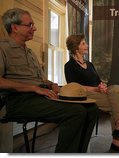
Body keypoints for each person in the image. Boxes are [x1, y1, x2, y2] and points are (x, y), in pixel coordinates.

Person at [0, 8, 99, 153]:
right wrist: (35, 88)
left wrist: (51, 85)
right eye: (30, 25)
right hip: (19, 101)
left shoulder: (30, 52)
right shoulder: (2, 48)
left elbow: (39, 79)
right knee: (76, 112)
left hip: (41, 96)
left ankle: (78, 153)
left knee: (92, 109)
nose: (35, 28)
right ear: (14, 27)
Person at [64, 34, 119, 153]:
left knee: (117, 89)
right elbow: (74, 87)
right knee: (116, 103)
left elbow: (97, 81)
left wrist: (102, 86)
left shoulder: (90, 64)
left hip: (98, 92)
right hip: (84, 95)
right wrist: (96, 89)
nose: (86, 45)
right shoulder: (69, 66)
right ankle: (117, 138)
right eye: (83, 43)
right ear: (76, 48)